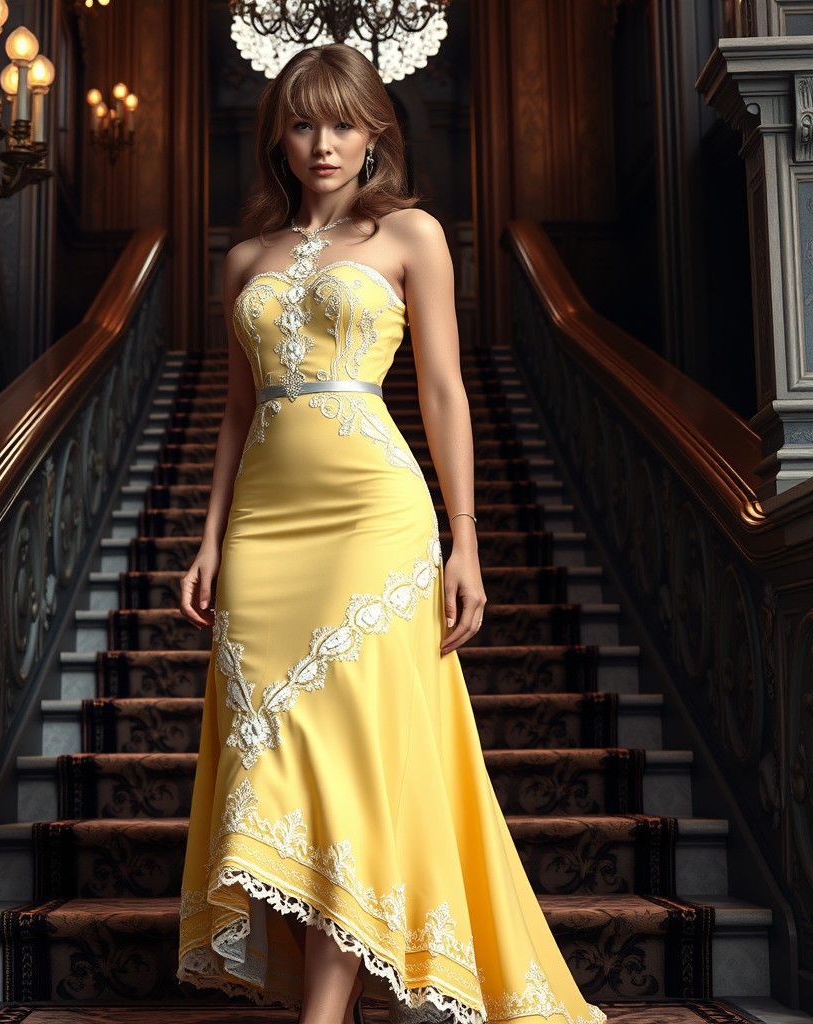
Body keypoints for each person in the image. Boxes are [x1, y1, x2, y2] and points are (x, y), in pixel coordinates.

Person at [176, 42, 606, 1024]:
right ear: (274, 136)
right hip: (265, 529)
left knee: (347, 762)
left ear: (376, 132)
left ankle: (322, 1014)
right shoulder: (244, 258)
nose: (320, 143)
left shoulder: (409, 234)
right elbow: (235, 414)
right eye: (300, 122)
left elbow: (445, 391)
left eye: (341, 123)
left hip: (372, 514)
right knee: (272, 756)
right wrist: (207, 538)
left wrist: (466, 540)